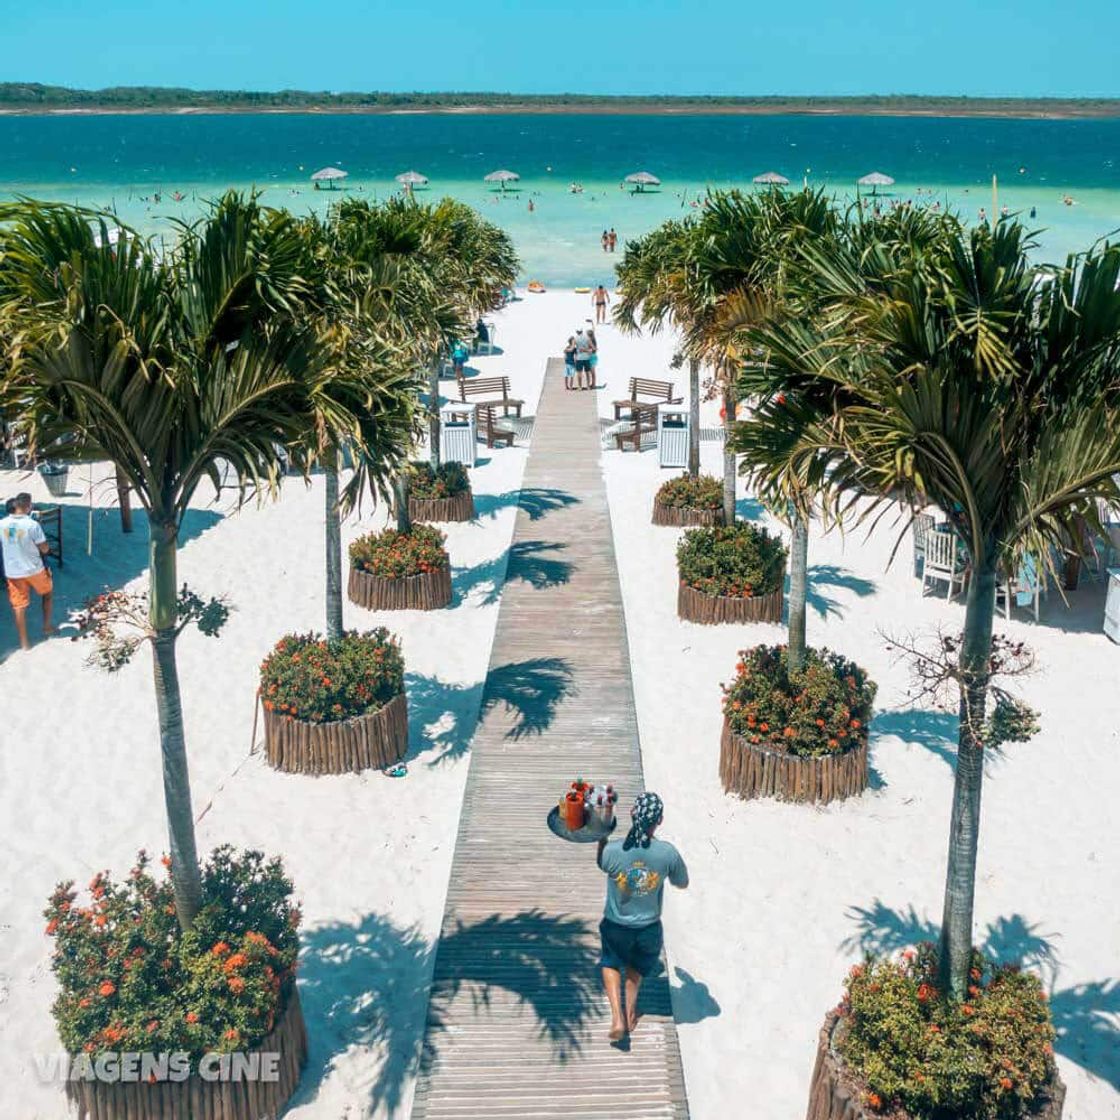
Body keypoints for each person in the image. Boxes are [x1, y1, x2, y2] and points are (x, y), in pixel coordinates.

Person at [595, 793, 687, 1042]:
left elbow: (601, 862)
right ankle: (630, 1012)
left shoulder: (614, 851)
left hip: (616, 925)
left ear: (633, 814)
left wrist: (603, 834)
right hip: (648, 927)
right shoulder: (667, 853)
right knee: (635, 970)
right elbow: (682, 882)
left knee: (610, 964)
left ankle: (617, 1017)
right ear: (660, 820)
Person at [1, 492, 54, 651]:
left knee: (19, 607)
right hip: (34, 569)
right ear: (28, 506)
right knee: (47, 593)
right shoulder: (32, 525)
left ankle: (24, 644)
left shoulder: (2, 523)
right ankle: (46, 627)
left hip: (13, 571)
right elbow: (44, 548)